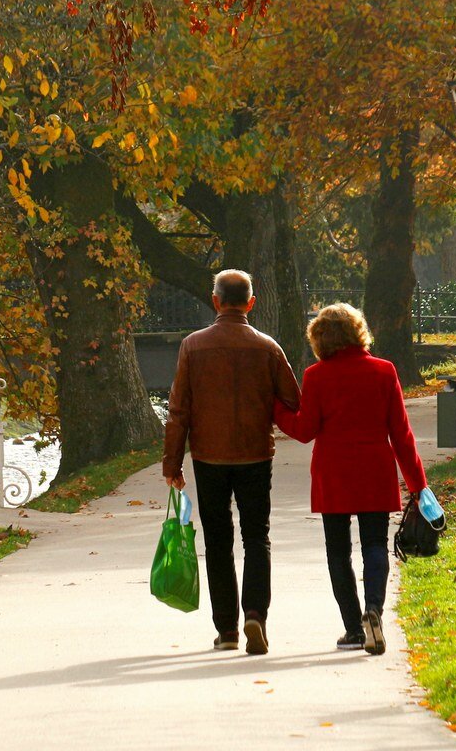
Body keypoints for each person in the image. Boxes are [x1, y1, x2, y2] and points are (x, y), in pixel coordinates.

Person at [272, 304, 427, 656]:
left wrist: (277, 409)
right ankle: (374, 608)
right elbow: (401, 434)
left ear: (320, 338)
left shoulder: (316, 376)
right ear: (359, 332)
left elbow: (304, 430)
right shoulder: (384, 371)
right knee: (375, 545)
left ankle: (354, 628)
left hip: (334, 473)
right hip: (375, 469)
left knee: (338, 552)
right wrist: (418, 484)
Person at [163, 269, 300, 656]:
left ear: (216, 301)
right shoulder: (269, 347)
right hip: (256, 454)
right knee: (257, 536)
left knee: (218, 541)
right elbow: (293, 399)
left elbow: (178, 411)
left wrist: (172, 462)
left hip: (209, 456)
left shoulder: (192, 346)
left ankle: (226, 630)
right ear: (251, 303)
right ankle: (255, 612)